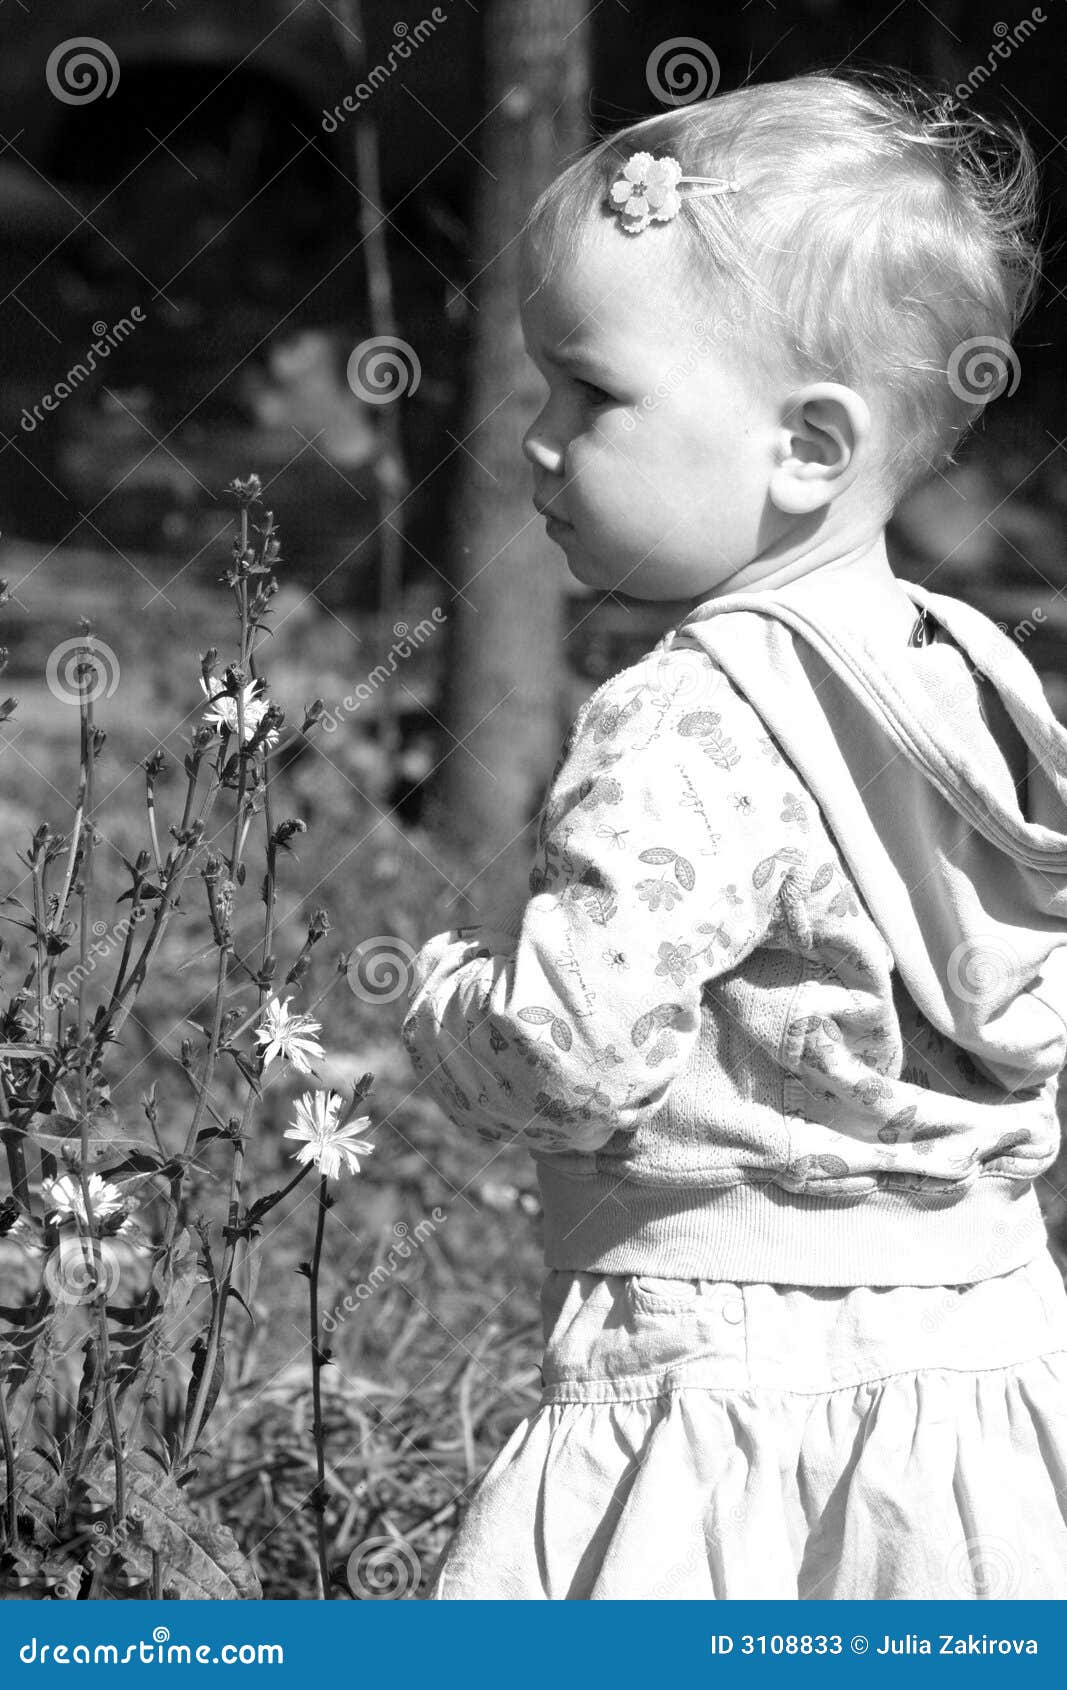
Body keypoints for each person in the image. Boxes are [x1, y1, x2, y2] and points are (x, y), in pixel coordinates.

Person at [399, 70, 1067, 1600]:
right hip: (984, 1345)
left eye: (591, 391)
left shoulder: (681, 715)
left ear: (809, 448)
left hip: (726, 1358)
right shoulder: (965, 668)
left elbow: (575, 1060)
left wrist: (445, 1013)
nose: (533, 440)